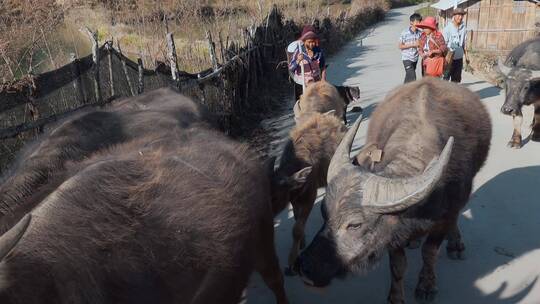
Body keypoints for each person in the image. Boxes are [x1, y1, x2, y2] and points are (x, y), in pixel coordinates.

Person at [288, 25, 327, 101]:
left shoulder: (318, 52)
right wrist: (298, 60)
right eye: (309, 42)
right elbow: (291, 68)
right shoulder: (298, 52)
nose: (312, 44)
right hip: (302, 82)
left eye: (313, 42)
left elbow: (323, 67)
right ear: (304, 41)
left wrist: (323, 79)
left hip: (316, 80)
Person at [443, 8, 469, 83]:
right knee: (446, 79)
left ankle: (453, 94)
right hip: (449, 59)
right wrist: (446, 57)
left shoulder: (464, 28)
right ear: (454, 16)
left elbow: (464, 43)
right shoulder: (448, 28)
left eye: (462, 15)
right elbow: (444, 44)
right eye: (458, 15)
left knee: (456, 80)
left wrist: (467, 57)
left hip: (459, 58)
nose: (460, 17)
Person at [399, 13, 423, 83]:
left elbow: (421, 45)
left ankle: (403, 91)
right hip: (406, 58)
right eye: (417, 21)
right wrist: (413, 45)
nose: (418, 23)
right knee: (413, 76)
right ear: (411, 22)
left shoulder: (420, 33)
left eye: (419, 21)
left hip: (415, 58)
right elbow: (400, 46)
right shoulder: (404, 32)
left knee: (409, 76)